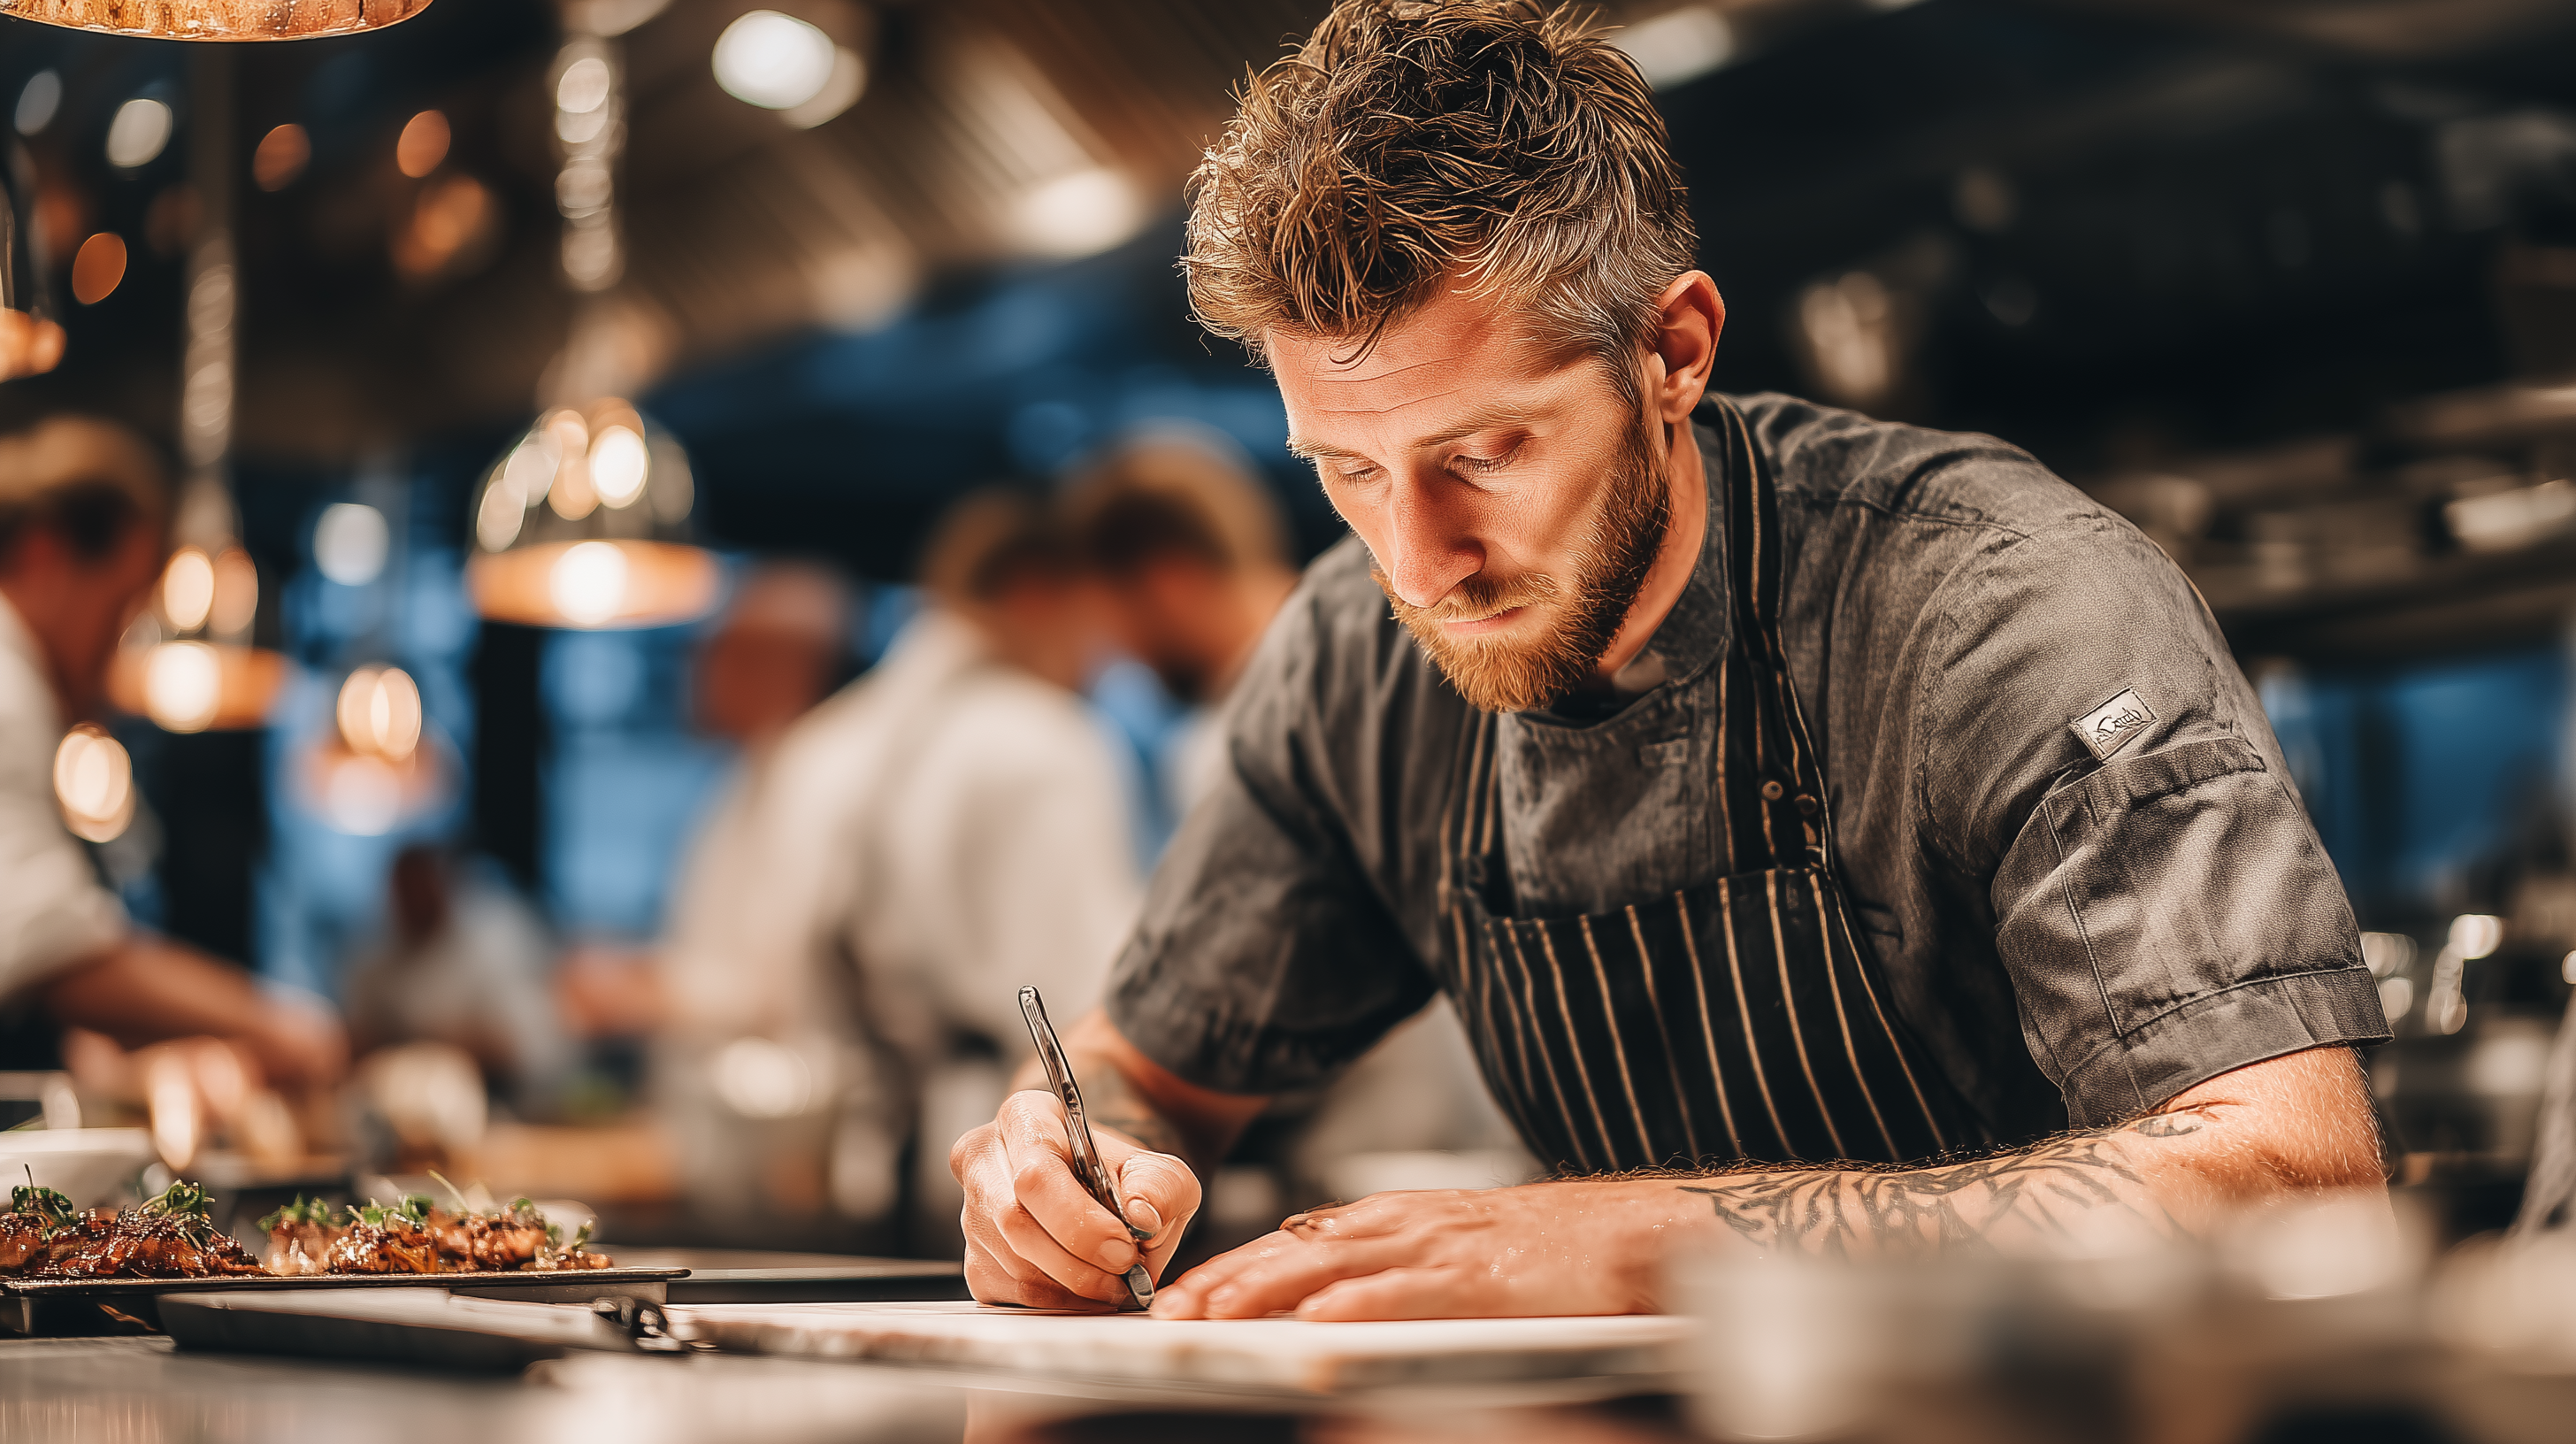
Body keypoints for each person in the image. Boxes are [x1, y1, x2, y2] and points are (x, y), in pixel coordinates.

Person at [951, 0, 2388, 1321]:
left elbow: (2287, 1178)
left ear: (1674, 352)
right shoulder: (1350, 662)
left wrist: (1627, 1239)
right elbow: (1143, 1072)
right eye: (1344, 469)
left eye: (1485, 453)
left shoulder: (2000, 605)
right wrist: (1068, 1168)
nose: (1417, 559)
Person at [658, 506, 1139, 1232]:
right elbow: (1092, 1001)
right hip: (1023, 1176)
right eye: (1100, 627)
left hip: (860, 1164)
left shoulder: (821, 747)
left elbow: (782, 988)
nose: (1107, 658)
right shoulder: (1045, 741)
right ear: (1040, 595)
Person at [0, 416, 344, 1087]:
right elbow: (52, 951)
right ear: (44, 555)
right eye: (124, 610)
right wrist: (274, 1022)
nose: (120, 659)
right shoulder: (6, 681)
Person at [342, 844, 571, 1113]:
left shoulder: (494, 940)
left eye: (421, 886)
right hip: (405, 1106)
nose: (413, 898)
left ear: (446, 883)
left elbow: (511, 1044)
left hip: (508, 1097)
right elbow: (357, 1038)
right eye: (403, 890)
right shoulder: (374, 954)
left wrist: (422, 1048)